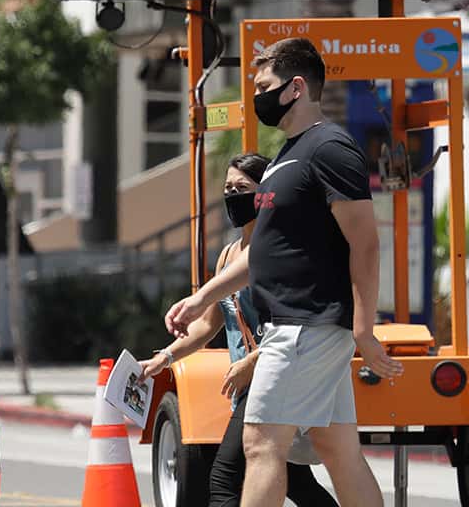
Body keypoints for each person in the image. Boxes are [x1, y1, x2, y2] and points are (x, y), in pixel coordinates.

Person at [164, 37, 402, 507]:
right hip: (301, 328)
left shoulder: (330, 148)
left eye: (263, 85)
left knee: (261, 443)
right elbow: (263, 252)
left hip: (304, 327)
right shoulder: (285, 160)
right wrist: (203, 299)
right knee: (338, 451)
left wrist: (363, 329)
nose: (257, 96)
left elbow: (366, 242)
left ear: (295, 87)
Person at [141, 152, 337, 507]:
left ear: (266, 194)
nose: (233, 195)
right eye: (228, 187)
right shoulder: (230, 254)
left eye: (243, 188)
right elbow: (208, 324)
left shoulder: (281, 252)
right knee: (295, 480)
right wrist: (164, 358)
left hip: (275, 373)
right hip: (250, 382)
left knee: (224, 479)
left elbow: (297, 321)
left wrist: (251, 362)